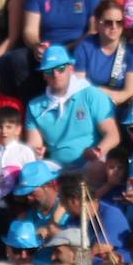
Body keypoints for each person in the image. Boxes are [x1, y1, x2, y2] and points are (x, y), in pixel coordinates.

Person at [24, 44, 119, 179]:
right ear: (44, 75)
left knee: (96, 167)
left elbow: (113, 135)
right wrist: (36, 152)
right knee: (32, 172)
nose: (56, 75)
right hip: (56, 167)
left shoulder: (91, 95)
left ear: (70, 68)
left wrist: (98, 151)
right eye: (50, 71)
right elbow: (34, 144)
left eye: (60, 69)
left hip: (90, 163)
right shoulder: (35, 106)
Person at [0, 105, 36, 240]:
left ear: (18, 130)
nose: (4, 131)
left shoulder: (25, 151)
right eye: (0, 127)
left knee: (16, 238)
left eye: (9, 127)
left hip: (17, 207)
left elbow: (32, 181)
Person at [74, 0, 133, 105]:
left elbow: (128, 92)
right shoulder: (85, 46)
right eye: (108, 22)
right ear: (97, 23)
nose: (114, 26)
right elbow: (79, 87)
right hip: (89, 104)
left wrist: (102, 97)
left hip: (120, 106)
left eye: (119, 22)